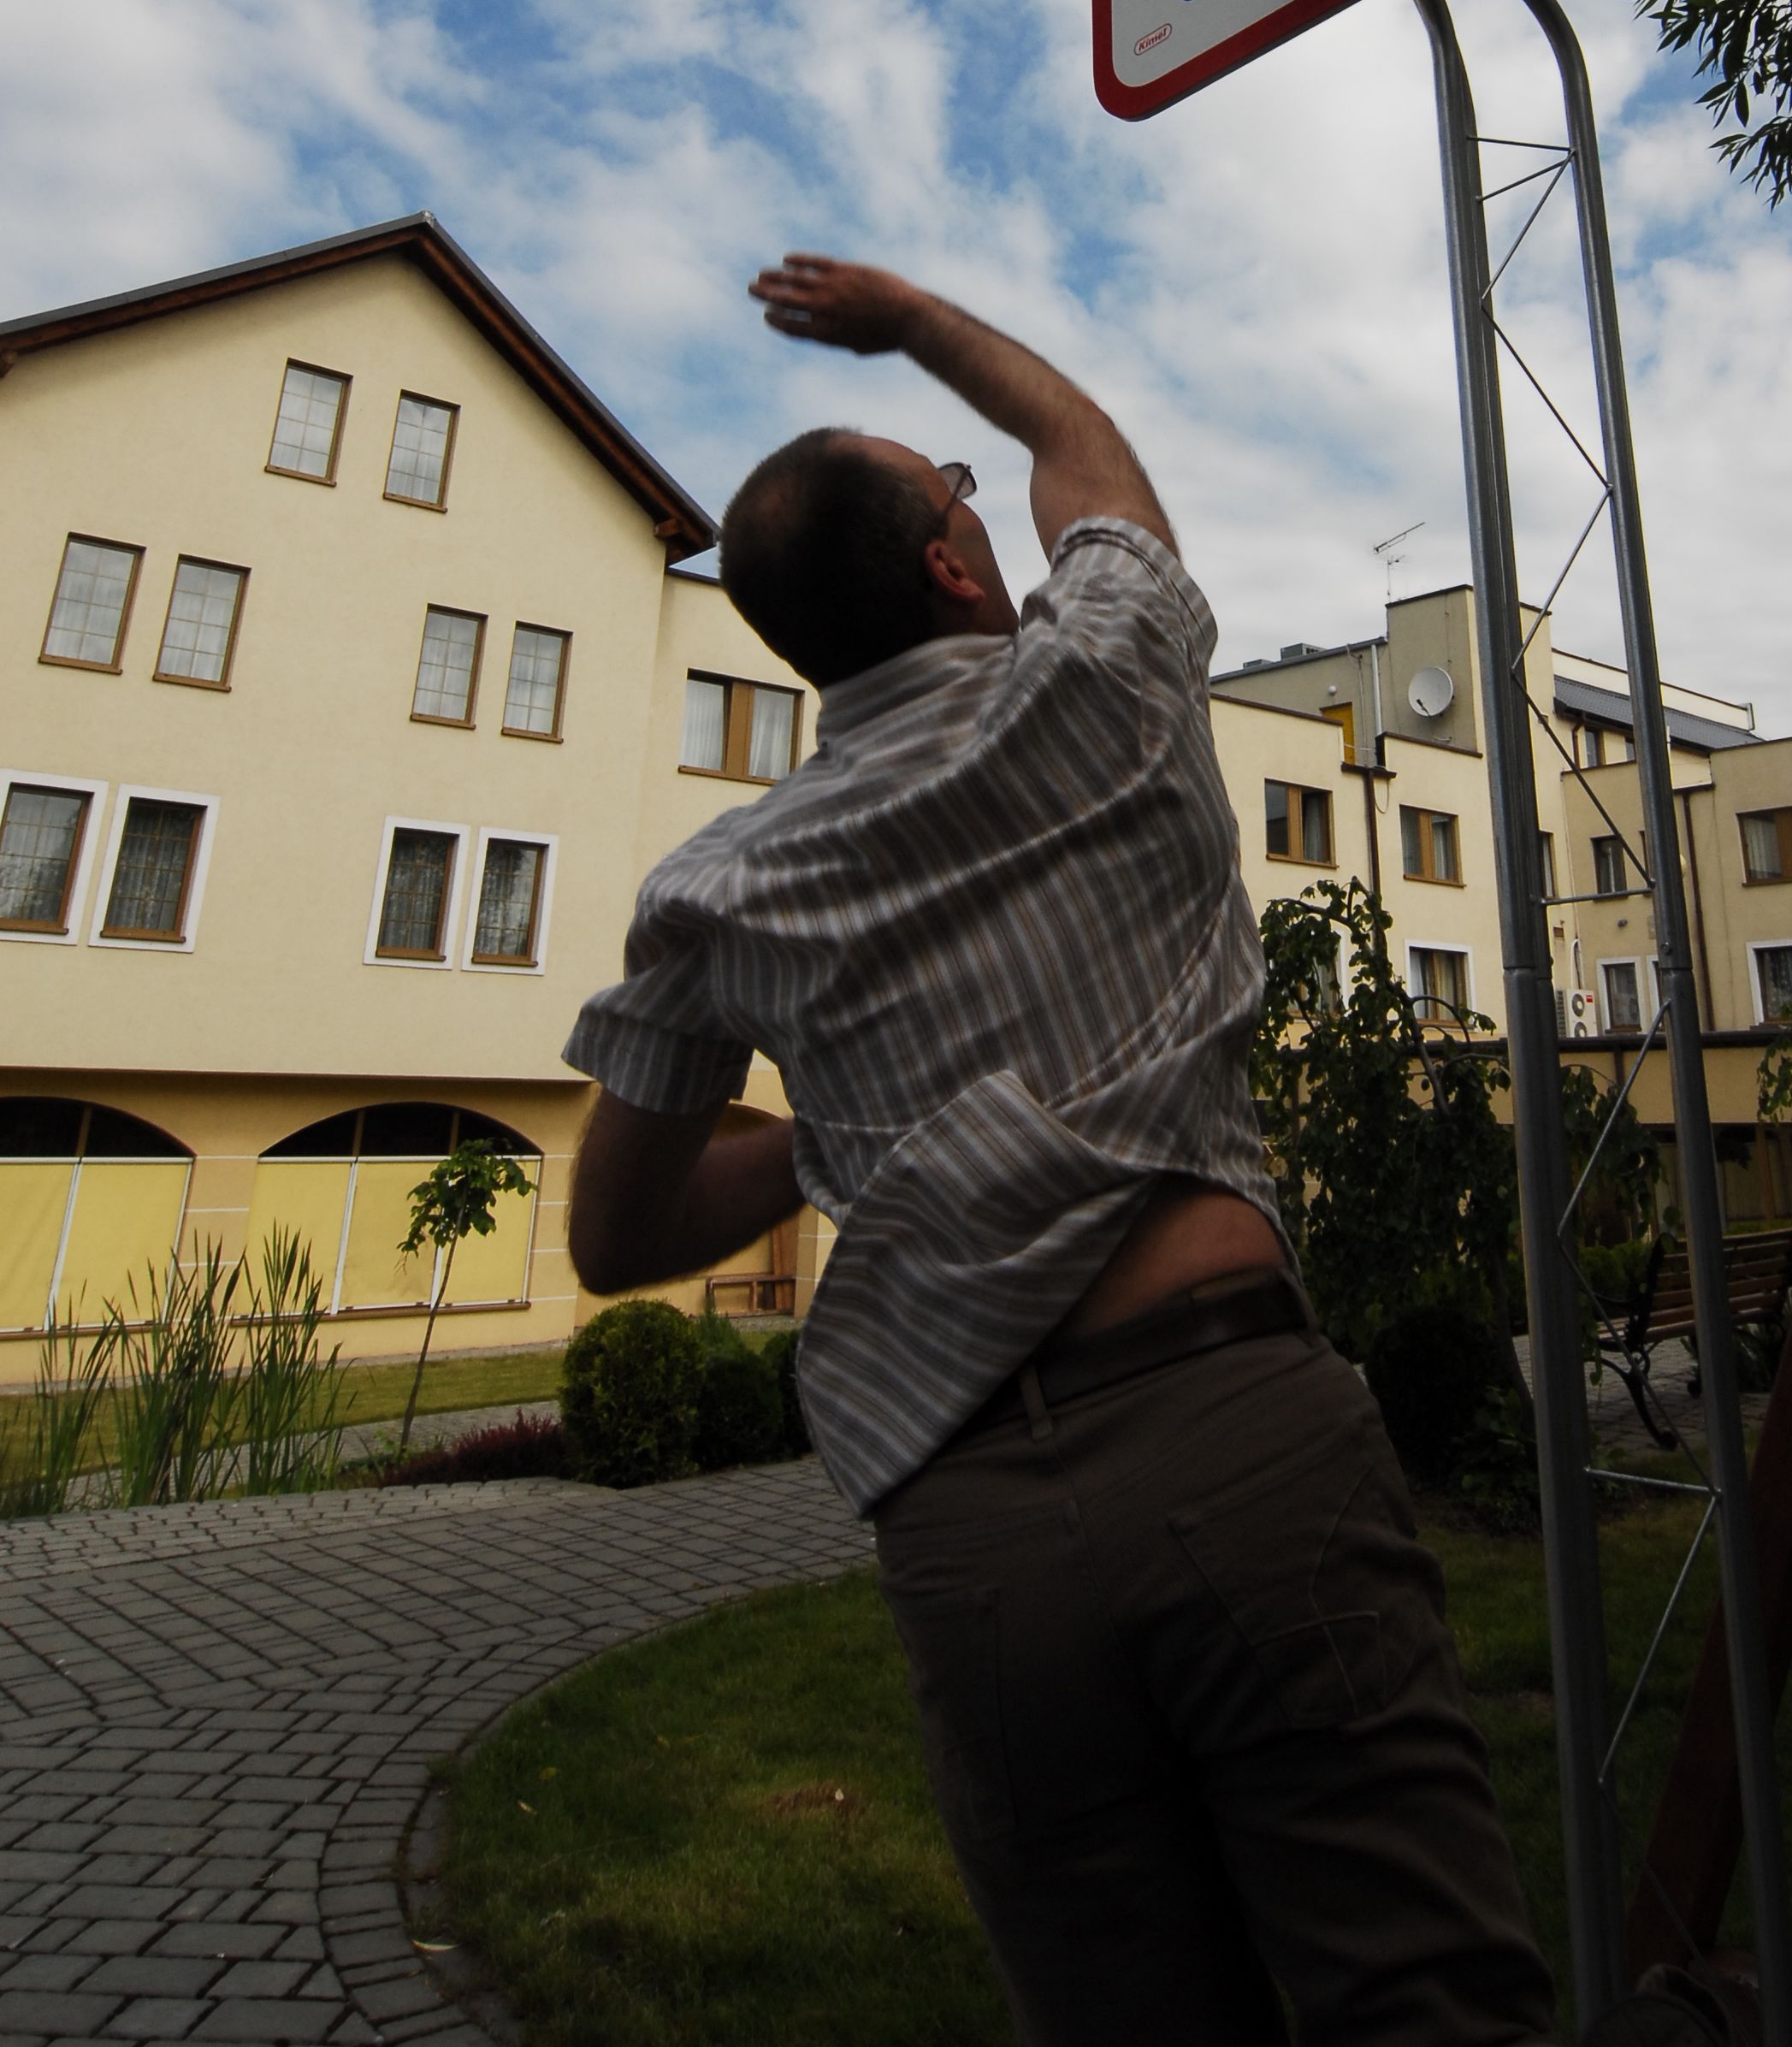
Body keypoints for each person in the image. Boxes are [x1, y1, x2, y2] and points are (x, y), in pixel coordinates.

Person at [564, 254, 1555, 2047]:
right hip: (1237, 1435)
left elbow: (619, 1241)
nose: (977, 495)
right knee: (1422, 2002)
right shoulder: (1100, 681)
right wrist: (919, 324)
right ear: (957, 565)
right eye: (951, 488)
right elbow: (1080, 444)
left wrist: (819, 1143)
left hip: (969, 1526)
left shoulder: (714, 890)